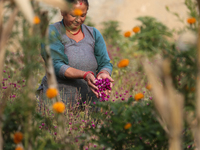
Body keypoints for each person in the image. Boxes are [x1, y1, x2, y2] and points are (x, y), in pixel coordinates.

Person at [38, 0, 113, 106]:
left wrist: (104, 73)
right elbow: (55, 65)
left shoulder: (93, 33)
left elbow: (105, 62)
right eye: (73, 15)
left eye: (83, 15)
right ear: (62, 12)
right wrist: (85, 75)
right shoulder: (52, 32)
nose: (78, 20)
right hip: (58, 102)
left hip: (89, 103)